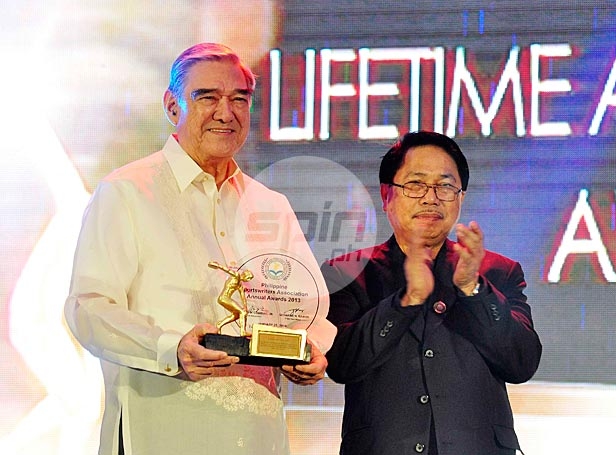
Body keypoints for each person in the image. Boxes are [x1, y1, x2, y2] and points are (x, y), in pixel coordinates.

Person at [64, 43, 335, 455]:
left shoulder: (270, 205)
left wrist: (311, 349)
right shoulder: (126, 192)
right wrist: (170, 347)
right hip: (162, 429)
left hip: (256, 435)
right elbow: (89, 308)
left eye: (239, 99)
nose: (226, 113)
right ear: (172, 106)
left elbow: (308, 307)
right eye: (207, 97)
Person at [321, 131, 542, 455]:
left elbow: (521, 363)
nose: (431, 198)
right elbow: (342, 363)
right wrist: (406, 301)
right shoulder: (348, 272)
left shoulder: (498, 271)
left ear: (461, 197)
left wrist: (473, 289)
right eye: (416, 184)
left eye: (445, 186)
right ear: (386, 194)